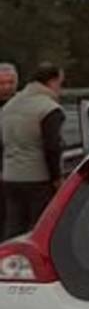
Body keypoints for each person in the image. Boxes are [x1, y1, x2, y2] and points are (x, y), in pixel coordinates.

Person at [1, 63, 65, 239]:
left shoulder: (9, 106)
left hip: (10, 178)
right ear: (52, 82)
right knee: (38, 230)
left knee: (13, 226)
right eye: (60, 82)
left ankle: (7, 261)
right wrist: (57, 178)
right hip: (38, 179)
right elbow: (52, 147)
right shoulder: (49, 109)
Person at [0, 63, 18, 240]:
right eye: (2, 83)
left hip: (16, 173)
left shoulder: (23, 107)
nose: (6, 87)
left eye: (10, 82)